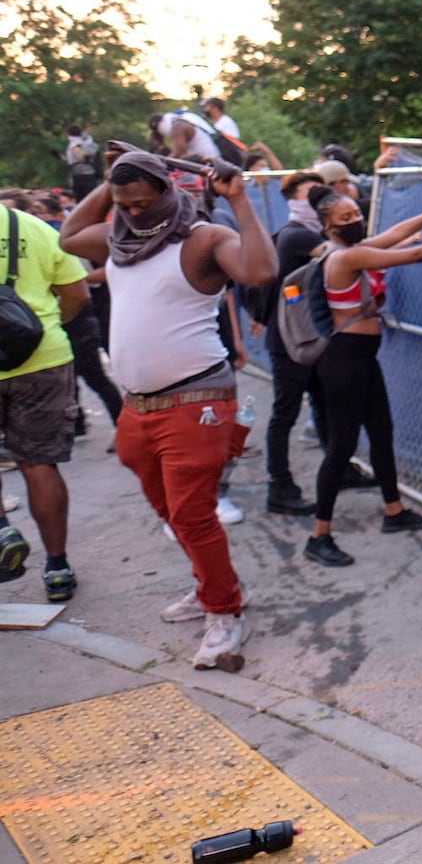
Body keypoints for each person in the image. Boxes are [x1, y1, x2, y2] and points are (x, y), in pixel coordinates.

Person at [59, 151, 277, 670]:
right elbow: (68, 237)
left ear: (167, 191)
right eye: (124, 203)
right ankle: (213, 587)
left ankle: (226, 612)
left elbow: (263, 270)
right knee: (168, 511)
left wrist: (240, 199)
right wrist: (114, 179)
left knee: (191, 513)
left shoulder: (201, 238)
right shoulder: (119, 242)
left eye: (143, 200)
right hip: (139, 407)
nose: (135, 211)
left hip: (196, 399)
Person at [303, 189, 422, 566]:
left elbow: (398, 232)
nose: (353, 220)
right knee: (341, 447)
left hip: (362, 359)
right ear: (327, 227)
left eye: (356, 212)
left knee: (382, 434)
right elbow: (413, 253)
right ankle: (318, 535)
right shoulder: (344, 256)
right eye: (344, 218)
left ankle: (394, 510)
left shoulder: (352, 248)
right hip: (343, 361)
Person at [0, 203, 90, 601]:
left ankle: (2, 531)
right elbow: (77, 294)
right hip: (41, 359)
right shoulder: (32, 226)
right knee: (39, 464)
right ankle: (57, 567)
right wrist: (47, 324)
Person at [247, 173, 349, 516]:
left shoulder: (310, 233)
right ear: (293, 200)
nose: (321, 200)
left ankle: (340, 467)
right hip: (289, 341)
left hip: (310, 336)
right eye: (312, 195)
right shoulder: (297, 237)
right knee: (285, 413)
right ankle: (280, 486)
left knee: (324, 405)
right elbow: (345, 256)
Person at [29, 195, 123, 442]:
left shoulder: (60, 238)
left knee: (94, 376)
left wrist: (67, 286)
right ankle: (78, 423)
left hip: (86, 313)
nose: (38, 214)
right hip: (74, 314)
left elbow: (85, 279)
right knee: (73, 378)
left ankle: (123, 426)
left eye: (40, 209)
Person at [63, 124, 101, 201]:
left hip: (83, 173)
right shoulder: (85, 142)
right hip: (84, 172)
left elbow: (81, 156)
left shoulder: (77, 144)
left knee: (84, 198)